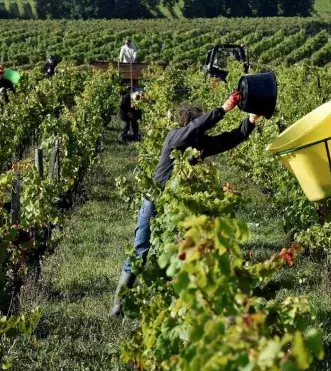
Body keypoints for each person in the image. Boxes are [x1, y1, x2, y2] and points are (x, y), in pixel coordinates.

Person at [110, 92, 261, 317]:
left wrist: (250, 121)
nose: (203, 131)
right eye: (199, 124)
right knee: (140, 250)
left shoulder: (200, 146)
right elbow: (194, 130)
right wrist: (222, 109)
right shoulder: (175, 138)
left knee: (183, 253)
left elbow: (229, 139)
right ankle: (118, 305)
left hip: (178, 206)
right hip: (154, 201)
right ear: (188, 123)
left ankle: (180, 306)